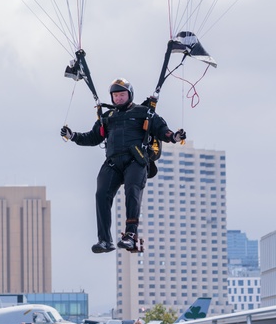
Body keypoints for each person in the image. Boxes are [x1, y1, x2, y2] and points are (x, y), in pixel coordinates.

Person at [61, 77, 186, 252]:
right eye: (115, 96)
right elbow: (93, 137)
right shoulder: (108, 117)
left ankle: (130, 235)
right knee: (101, 194)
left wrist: (174, 137)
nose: (118, 98)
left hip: (136, 160)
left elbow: (162, 130)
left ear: (130, 95)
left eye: (122, 95)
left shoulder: (144, 112)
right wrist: (73, 135)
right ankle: (105, 241)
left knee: (132, 191)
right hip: (113, 162)